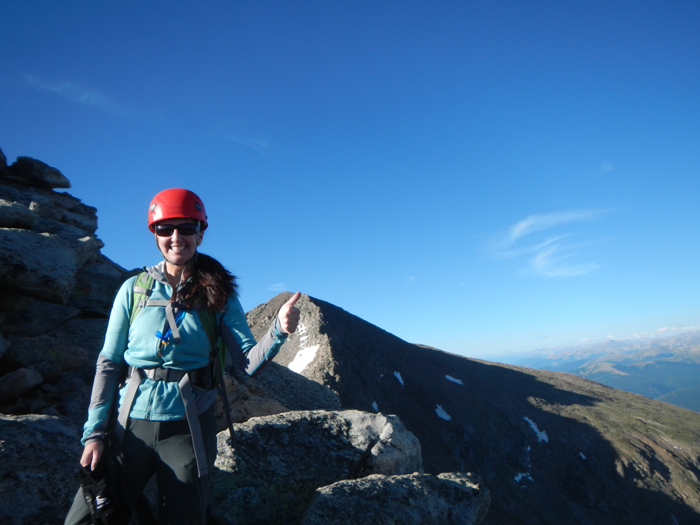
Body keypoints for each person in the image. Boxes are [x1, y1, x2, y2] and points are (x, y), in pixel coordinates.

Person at [65, 188, 300, 524]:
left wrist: (278, 329)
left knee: (184, 517)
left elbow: (247, 362)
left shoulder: (217, 293)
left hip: (188, 427)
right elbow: (109, 363)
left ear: (200, 234)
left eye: (186, 228)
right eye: (165, 229)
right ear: (154, 234)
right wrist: (95, 433)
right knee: (87, 517)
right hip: (128, 422)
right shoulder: (133, 289)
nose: (176, 237)